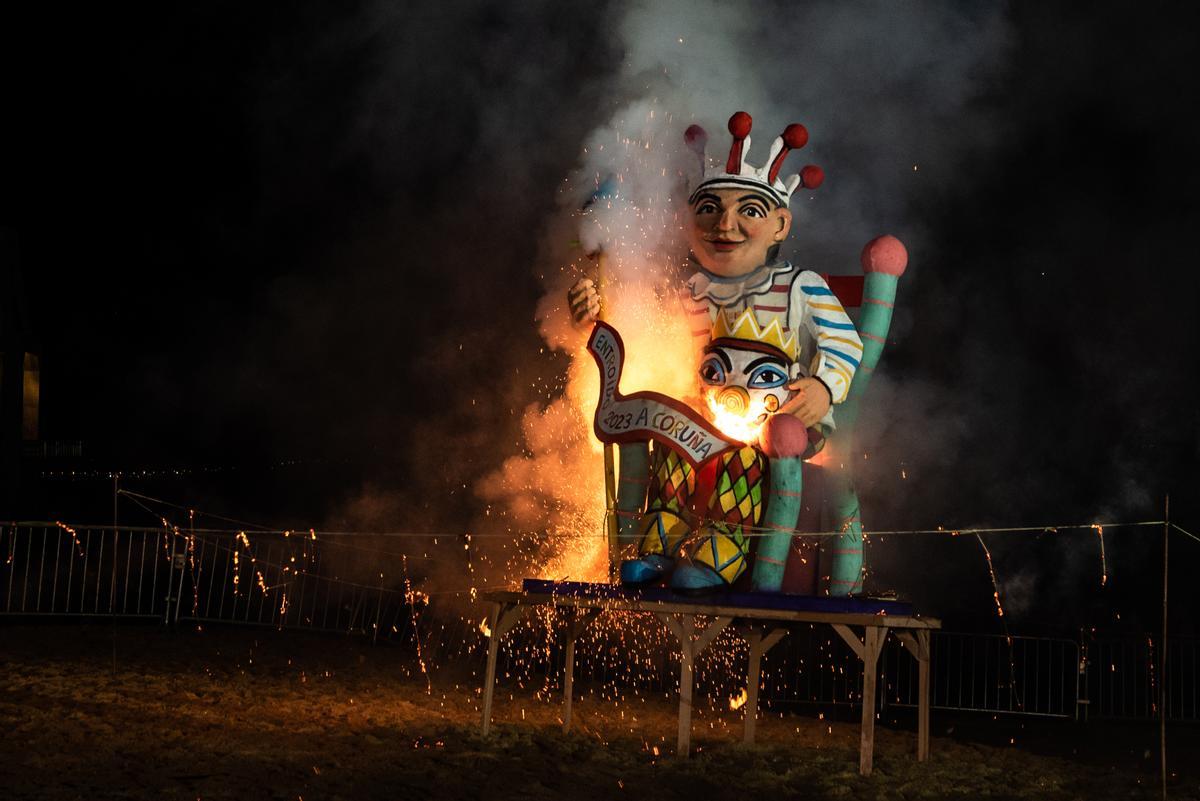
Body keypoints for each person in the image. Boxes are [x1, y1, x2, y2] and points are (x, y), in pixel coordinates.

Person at [570, 111, 863, 592]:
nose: (725, 224)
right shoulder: (697, 291)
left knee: (743, 458)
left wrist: (823, 388)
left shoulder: (799, 286)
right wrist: (595, 314)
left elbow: (844, 341)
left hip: (778, 425)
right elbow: (652, 333)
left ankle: (721, 551)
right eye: (710, 209)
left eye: (749, 211)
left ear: (780, 224)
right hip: (711, 419)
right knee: (675, 446)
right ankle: (661, 543)